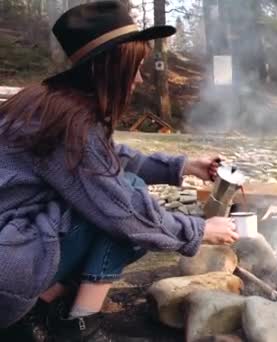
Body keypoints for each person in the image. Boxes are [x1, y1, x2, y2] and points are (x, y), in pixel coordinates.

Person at [0, 1, 239, 341]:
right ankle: (78, 324)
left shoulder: (51, 104)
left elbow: (108, 159)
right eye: (136, 67)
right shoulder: (70, 126)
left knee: (125, 194)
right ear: (107, 68)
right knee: (132, 212)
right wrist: (199, 230)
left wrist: (183, 165)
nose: (140, 79)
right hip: (7, 271)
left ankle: (44, 301)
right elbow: (126, 214)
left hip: (11, 243)